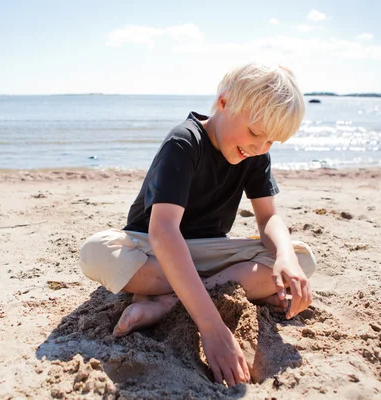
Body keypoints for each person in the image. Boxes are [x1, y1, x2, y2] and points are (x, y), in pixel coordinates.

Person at [79, 63, 316, 387]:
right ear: (224, 103)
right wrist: (212, 326)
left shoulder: (255, 156)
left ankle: (168, 302)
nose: (260, 148)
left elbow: (268, 218)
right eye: (255, 133)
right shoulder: (184, 142)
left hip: (205, 253)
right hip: (152, 249)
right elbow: (163, 232)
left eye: (271, 142)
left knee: (302, 258)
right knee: (95, 252)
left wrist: (286, 257)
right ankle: (202, 291)